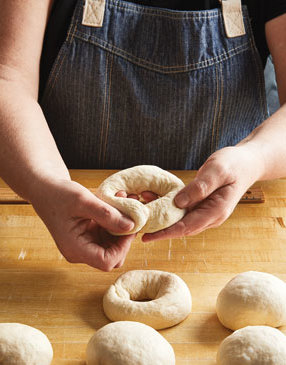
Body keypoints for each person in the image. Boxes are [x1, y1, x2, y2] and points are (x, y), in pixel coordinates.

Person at [0, 0, 285, 271]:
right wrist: (43, 182)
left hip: (227, 232)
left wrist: (254, 157)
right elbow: (7, 77)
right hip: (58, 219)